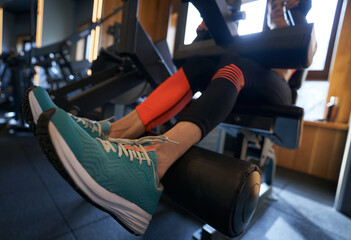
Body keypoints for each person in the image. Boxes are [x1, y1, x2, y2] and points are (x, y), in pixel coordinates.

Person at [22, 0, 312, 235]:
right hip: (240, 78)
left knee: (238, 62)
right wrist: (208, 31)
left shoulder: (300, 31)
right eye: (274, 2)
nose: (276, 4)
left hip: (277, 90)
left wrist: (291, 18)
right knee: (201, 64)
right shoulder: (258, 32)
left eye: (284, 1)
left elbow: (295, 61)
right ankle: (115, 132)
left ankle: (154, 162)